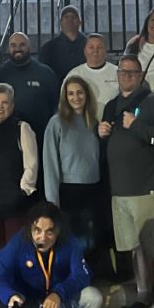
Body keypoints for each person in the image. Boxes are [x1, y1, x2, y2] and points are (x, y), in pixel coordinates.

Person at [99, 55, 154, 308]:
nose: (127, 76)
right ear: (118, 74)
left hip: (147, 189)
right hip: (119, 192)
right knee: (134, 249)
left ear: (141, 74)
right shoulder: (111, 106)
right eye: (123, 71)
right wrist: (102, 133)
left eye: (133, 72)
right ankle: (144, 298)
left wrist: (137, 126)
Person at [0, 84, 39, 249]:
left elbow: (31, 164)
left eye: (4, 103)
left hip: (15, 205)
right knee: (0, 248)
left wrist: (23, 190)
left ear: (12, 105)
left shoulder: (21, 128)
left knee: (15, 248)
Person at [43, 76, 100, 253]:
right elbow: (50, 162)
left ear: (87, 95)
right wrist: (53, 200)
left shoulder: (93, 122)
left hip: (93, 189)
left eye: (80, 93)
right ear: (65, 97)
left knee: (91, 241)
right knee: (71, 241)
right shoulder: (56, 122)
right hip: (68, 191)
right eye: (71, 94)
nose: (76, 97)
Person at [0, 32, 58, 142]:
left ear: (29, 47)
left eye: (22, 45)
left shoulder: (46, 73)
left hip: (41, 138)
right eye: (13, 45)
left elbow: (57, 105)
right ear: (8, 48)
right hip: (5, 140)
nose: (17, 48)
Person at [64, 33, 118, 119]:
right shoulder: (74, 74)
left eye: (99, 47)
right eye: (91, 47)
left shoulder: (117, 72)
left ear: (105, 50)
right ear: (85, 51)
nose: (95, 51)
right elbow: (64, 103)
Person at [38, 5, 87, 80]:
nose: (69, 19)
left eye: (73, 17)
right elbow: (43, 72)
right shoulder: (49, 47)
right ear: (60, 23)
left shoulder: (89, 45)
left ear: (80, 22)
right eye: (66, 17)